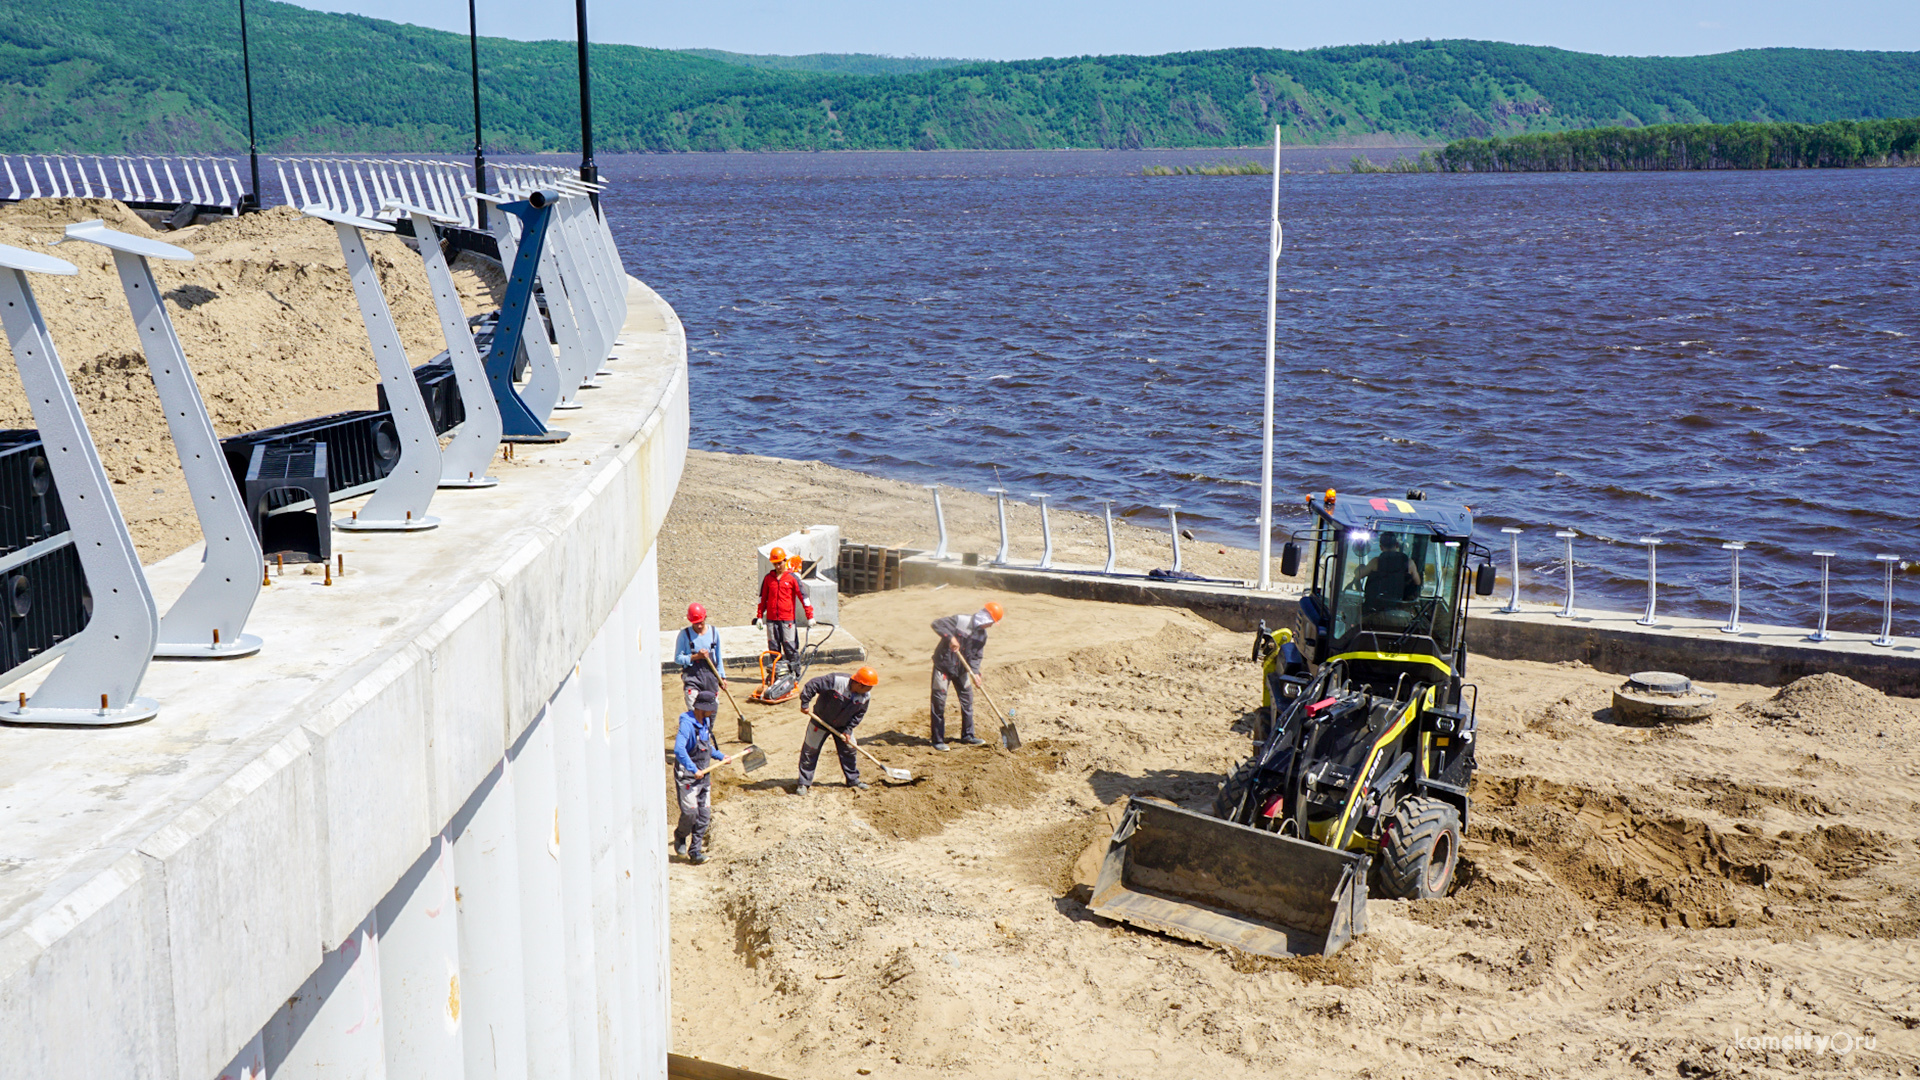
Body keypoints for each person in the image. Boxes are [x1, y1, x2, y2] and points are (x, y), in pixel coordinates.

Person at [929, 601, 1003, 749]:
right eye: (991, 622)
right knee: (939, 702)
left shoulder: (982, 636)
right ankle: (937, 740)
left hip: (962, 669)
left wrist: (976, 673)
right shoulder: (961, 621)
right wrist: (950, 638)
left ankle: (968, 735)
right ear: (986, 617)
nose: (990, 625)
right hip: (944, 666)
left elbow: (976, 657)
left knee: (967, 700)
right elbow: (936, 623)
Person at [795, 666, 879, 795]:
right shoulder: (836, 681)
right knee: (810, 751)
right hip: (820, 720)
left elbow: (858, 715)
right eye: (868, 687)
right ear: (859, 684)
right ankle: (804, 783)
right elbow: (813, 684)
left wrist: (848, 730)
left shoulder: (865, 696)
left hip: (842, 726)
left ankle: (853, 780)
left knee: (850, 750)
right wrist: (805, 703)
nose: (869, 691)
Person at [672, 690, 729, 864]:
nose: (712, 712)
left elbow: (707, 747)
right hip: (688, 777)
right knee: (690, 813)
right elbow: (679, 750)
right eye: (710, 709)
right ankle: (680, 836)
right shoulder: (687, 724)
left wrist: (721, 757)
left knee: (704, 815)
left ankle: (695, 852)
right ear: (700, 708)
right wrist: (692, 768)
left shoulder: (705, 722)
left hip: (704, 776)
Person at [754, 546, 814, 673]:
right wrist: (759, 616)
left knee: (790, 647)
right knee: (774, 648)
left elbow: (804, 597)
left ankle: (795, 674)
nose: (777, 566)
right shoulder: (768, 579)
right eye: (775, 564)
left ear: (785, 561)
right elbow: (762, 598)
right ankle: (779, 674)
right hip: (771, 620)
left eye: (780, 563)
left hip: (787, 620)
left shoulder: (792, 578)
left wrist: (810, 616)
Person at [673, 601, 724, 711]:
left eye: (701, 622)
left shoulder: (714, 633)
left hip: (711, 677)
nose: (699, 626)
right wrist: (696, 657)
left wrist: (722, 677)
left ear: (705, 617)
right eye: (696, 623)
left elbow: (718, 656)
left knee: (711, 711)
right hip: (693, 678)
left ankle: (708, 729)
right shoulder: (684, 635)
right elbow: (678, 658)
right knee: (695, 712)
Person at [1361, 532, 1421, 613]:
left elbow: (1358, 576)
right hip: (1401, 611)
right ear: (1397, 545)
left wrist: (1359, 569)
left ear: (1381, 547)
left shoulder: (1375, 562)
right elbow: (1418, 583)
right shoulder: (1409, 563)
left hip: (1375, 611)